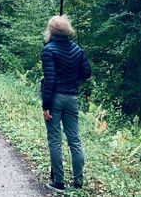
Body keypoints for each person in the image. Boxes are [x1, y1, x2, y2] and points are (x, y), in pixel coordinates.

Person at [41, 15, 92, 193]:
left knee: (55, 140)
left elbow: (50, 80)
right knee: (75, 140)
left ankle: (59, 183)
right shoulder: (77, 50)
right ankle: (78, 183)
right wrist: (72, 79)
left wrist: (46, 106)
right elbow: (86, 73)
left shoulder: (49, 50)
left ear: (51, 30)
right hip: (72, 99)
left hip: (55, 98)